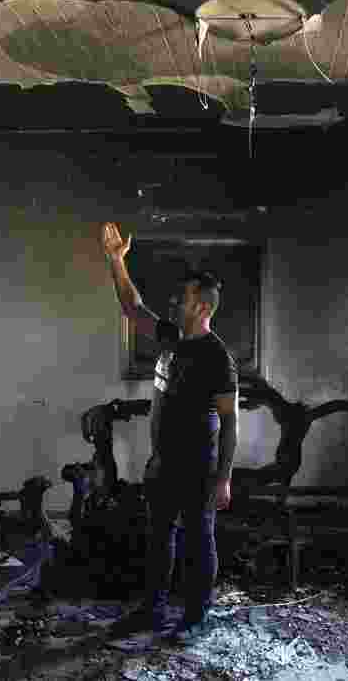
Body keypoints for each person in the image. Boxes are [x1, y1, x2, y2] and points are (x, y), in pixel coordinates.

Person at [100, 221, 239, 644]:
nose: (177, 301)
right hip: (161, 463)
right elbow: (133, 308)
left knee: (199, 542)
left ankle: (195, 616)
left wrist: (224, 477)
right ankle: (151, 611)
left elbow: (231, 422)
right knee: (158, 539)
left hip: (198, 467)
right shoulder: (173, 339)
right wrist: (116, 261)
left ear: (203, 307)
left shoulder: (219, 359)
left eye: (186, 297)